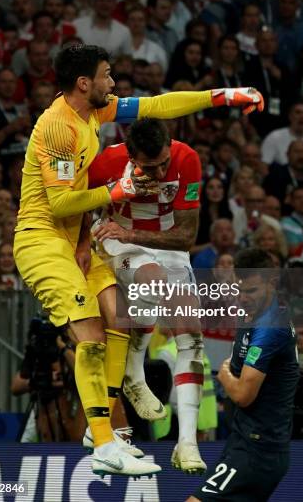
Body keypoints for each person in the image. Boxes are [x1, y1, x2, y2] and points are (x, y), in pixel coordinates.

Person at [12, 43, 264, 477]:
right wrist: (118, 192)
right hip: (42, 238)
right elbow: (58, 205)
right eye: (107, 75)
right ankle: (105, 439)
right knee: (91, 335)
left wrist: (221, 95)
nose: (114, 84)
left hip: (77, 241)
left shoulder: (95, 111)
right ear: (83, 82)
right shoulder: (57, 128)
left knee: (118, 320)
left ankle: (104, 429)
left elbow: (158, 105)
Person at [88, 118, 207, 473]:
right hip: (114, 239)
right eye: (148, 167)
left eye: (163, 164)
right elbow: (75, 204)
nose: (158, 172)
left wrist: (132, 232)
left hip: (159, 241)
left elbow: (186, 236)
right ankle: (134, 374)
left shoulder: (187, 160)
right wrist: (83, 245)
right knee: (152, 280)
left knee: (191, 330)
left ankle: (187, 443)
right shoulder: (106, 161)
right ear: (130, 154)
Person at [188, 248, 299, 502]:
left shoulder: (270, 328)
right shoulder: (252, 315)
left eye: (251, 291)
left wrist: (225, 373)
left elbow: (242, 394)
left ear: (271, 282)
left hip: (258, 451)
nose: (243, 297)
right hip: (243, 441)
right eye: (239, 289)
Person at [261, 101, 303, 172]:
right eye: (298, 112)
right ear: (290, 116)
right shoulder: (274, 137)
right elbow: (264, 165)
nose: (302, 117)